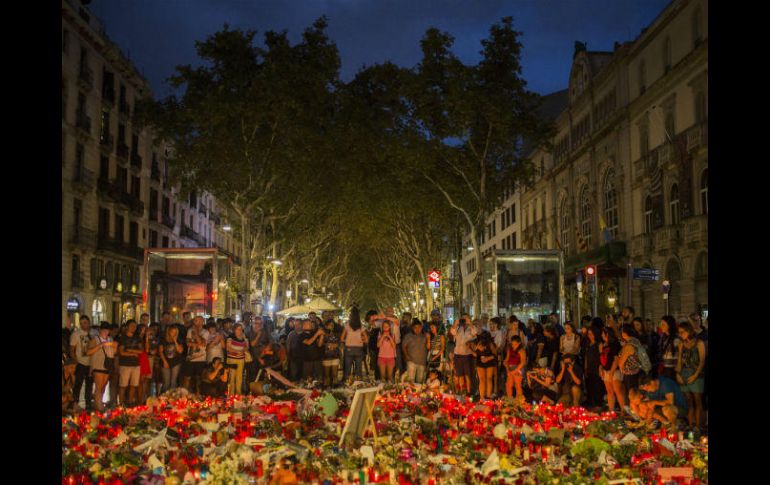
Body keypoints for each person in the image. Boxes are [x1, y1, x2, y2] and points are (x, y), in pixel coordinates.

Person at [676, 321, 706, 434]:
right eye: (679, 332)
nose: (680, 334)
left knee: (697, 400)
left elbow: (702, 361)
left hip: (696, 374)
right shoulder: (681, 344)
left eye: (682, 332)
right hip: (684, 373)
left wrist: (695, 375)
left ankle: (698, 425)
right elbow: (679, 361)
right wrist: (678, 374)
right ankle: (691, 423)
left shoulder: (699, 343)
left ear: (688, 331)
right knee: (688, 400)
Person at [87, 322, 118, 412]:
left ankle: (98, 404)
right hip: (98, 365)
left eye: (107, 330)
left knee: (103, 387)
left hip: (107, 366)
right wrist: (100, 345)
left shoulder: (110, 339)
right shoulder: (95, 339)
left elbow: (115, 351)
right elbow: (89, 352)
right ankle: (99, 407)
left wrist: (112, 345)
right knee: (99, 386)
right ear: (100, 330)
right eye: (103, 329)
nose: (105, 331)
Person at [599, 327, 627, 415]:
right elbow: (602, 359)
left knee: (618, 390)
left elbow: (616, 359)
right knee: (609, 391)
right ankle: (611, 410)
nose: (601, 335)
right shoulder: (604, 345)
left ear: (607, 334)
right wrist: (601, 368)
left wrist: (612, 371)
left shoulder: (615, 344)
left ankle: (623, 410)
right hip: (606, 370)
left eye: (603, 333)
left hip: (615, 370)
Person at [70, 315, 96, 411]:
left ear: (89, 322)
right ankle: (75, 402)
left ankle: (88, 403)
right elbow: (72, 349)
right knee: (78, 383)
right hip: (81, 362)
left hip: (91, 363)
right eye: (81, 323)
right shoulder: (76, 334)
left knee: (89, 384)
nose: (83, 325)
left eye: (85, 323)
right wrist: (75, 361)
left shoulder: (94, 333)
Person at [618, 324, 650, 396]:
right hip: (637, 371)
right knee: (636, 393)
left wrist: (622, 369)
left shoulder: (629, 345)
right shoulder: (637, 342)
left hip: (630, 373)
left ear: (625, 333)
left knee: (631, 394)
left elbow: (621, 362)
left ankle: (631, 406)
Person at [450, 314, 478, 395]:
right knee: (460, 375)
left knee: (468, 375)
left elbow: (475, 332)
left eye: (466, 318)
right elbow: (452, 332)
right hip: (458, 354)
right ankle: (462, 391)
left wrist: (470, 323)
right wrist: (455, 323)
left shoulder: (471, 328)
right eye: (463, 318)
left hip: (467, 355)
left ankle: (468, 392)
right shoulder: (459, 328)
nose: (464, 320)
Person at [118, 319, 143, 406]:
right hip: (125, 364)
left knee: (133, 384)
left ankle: (129, 402)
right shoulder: (122, 338)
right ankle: (121, 404)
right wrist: (133, 353)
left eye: (135, 326)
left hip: (136, 364)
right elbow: (121, 352)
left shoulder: (137, 338)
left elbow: (141, 351)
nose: (133, 328)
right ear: (127, 326)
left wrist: (129, 350)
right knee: (123, 385)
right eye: (132, 326)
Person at [181, 316, 209, 394]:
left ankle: (198, 394)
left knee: (199, 378)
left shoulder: (206, 332)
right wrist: (198, 343)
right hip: (190, 358)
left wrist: (196, 334)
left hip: (201, 359)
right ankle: (184, 394)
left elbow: (203, 344)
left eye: (196, 320)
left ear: (201, 322)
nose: (194, 322)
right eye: (194, 320)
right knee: (187, 377)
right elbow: (188, 343)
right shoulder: (190, 330)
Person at [341, 308, 367, 381]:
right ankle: (358, 383)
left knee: (347, 368)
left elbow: (342, 338)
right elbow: (366, 339)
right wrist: (360, 340)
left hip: (349, 348)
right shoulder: (361, 326)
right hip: (359, 349)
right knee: (358, 369)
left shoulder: (347, 325)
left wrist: (348, 340)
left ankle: (347, 383)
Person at [583, 327, 605, 409]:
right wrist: (585, 368)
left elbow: (601, 355)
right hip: (589, 367)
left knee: (597, 385)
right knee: (590, 384)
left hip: (597, 367)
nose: (590, 336)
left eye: (591, 334)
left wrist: (601, 367)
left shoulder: (599, 344)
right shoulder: (588, 344)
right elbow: (586, 357)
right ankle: (591, 402)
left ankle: (598, 403)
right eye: (588, 334)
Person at [159, 326, 184, 394]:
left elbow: (180, 351)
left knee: (173, 381)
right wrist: (164, 361)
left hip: (176, 362)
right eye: (172, 332)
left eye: (175, 332)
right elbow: (160, 351)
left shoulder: (179, 340)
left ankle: (172, 398)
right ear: (169, 332)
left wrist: (175, 341)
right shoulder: (163, 340)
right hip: (165, 361)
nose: (174, 333)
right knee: (166, 382)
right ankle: (163, 397)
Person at [226, 324, 250, 394]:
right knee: (232, 378)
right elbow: (228, 348)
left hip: (241, 359)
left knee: (239, 377)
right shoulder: (230, 337)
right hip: (232, 359)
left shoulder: (244, 337)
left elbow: (247, 347)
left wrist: (242, 351)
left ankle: (238, 394)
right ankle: (231, 394)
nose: (240, 331)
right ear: (234, 330)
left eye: (241, 329)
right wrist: (238, 351)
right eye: (238, 329)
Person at [473, 331, 497, 400]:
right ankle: (482, 397)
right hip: (480, 362)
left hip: (490, 362)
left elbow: (495, 355)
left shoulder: (490, 344)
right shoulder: (478, 343)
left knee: (489, 379)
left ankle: (488, 396)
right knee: (481, 380)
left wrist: (487, 358)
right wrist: (476, 347)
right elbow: (473, 350)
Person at [657, 316, 680, 380]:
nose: (661, 326)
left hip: (672, 368)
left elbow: (681, 354)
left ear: (670, 325)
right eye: (660, 324)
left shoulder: (676, 338)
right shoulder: (663, 337)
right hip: (664, 367)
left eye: (663, 324)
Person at [504, 335, 527, 401]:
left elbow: (523, 362)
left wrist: (515, 371)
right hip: (510, 368)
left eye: (515, 344)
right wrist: (507, 369)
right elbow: (506, 360)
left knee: (517, 385)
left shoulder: (521, 350)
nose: (513, 345)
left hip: (518, 368)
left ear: (519, 343)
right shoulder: (510, 349)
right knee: (508, 385)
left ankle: (519, 401)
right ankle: (510, 400)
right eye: (512, 344)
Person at [321, 319, 341, 387]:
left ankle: (335, 391)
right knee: (327, 376)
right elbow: (320, 344)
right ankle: (327, 391)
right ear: (326, 326)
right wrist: (327, 345)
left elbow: (340, 343)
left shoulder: (337, 334)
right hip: (326, 356)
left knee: (335, 375)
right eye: (330, 325)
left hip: (335, 355)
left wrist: (336, 345)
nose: (331, 326)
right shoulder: (323, 333)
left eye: (332, 325)